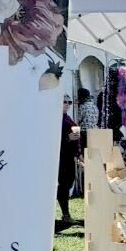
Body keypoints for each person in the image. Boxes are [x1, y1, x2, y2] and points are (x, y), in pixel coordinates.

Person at [56, 94, 80, 230]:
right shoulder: (55, 118)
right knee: (64, 185)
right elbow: (50, 141)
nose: (67, 104)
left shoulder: (66, 118)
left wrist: (78, 153)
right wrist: (67, 138)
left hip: (68, 157)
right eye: (64, 102)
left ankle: (66, 214)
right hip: (60, 158)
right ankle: (65, 215)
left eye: (69, 102)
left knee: (68, 183)